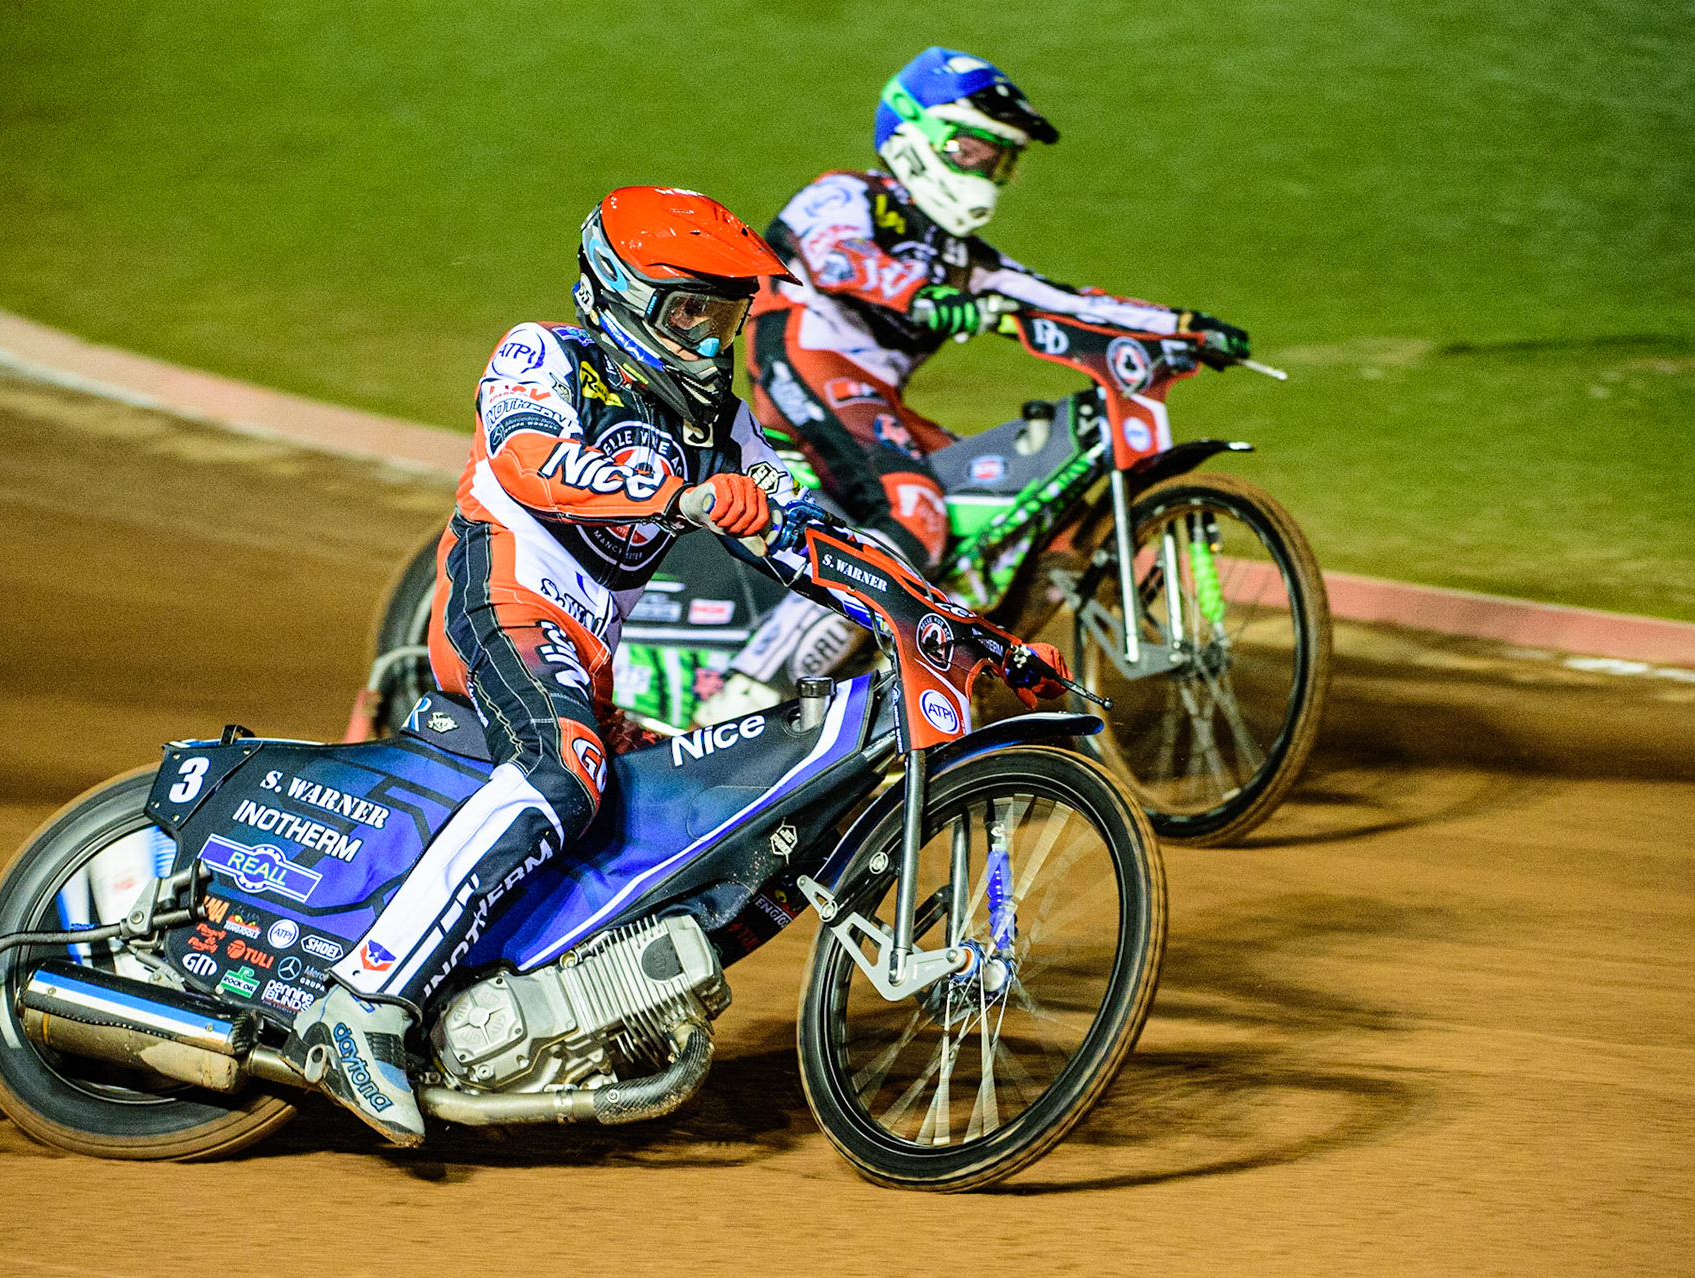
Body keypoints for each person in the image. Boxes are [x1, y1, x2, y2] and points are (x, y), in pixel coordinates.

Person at [283, 186, 1083, 1146]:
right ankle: (362, 1005)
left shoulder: (722, 424)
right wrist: (678, 492)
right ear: (622, 296)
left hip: (590, 650)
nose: (712, 339)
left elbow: (814, 537)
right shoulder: (545, 353)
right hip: (497, 599)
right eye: (691, 311)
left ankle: (544, 1003)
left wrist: (956, 623)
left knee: (675, 813)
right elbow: (530, 458)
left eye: (728, 315)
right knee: (564, 772)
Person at [712, 47, 1251, 715]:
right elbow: (836, 255)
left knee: (991, 509)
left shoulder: (969, 261)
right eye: (974, 149)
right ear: (915, 138)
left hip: (873, 402)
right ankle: (752, 686)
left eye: (1001, 160)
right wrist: (922, 294)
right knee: (917, 509)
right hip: (802, 369)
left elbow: (1064, 301)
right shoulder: (844, 196)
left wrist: (1182, 325)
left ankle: (914, 676)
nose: (987, 172)